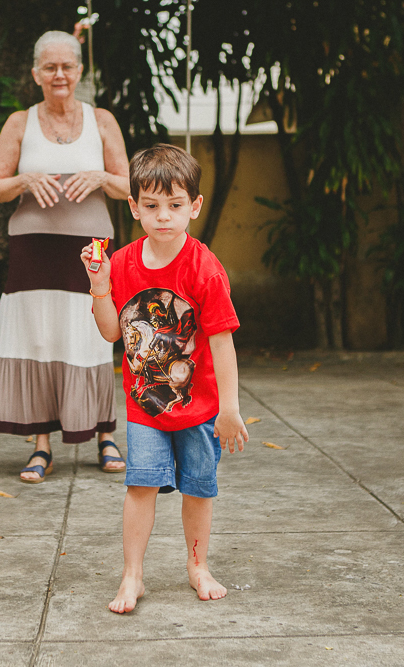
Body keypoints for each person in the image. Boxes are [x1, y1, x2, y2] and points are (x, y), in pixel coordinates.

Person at [80, 144, 248, 614]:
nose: (163, 217)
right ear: (133, 207)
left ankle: (198, 566)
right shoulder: (122, 264)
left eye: (175, 206)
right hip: (146, 406)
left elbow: (221, 342)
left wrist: (229, 409)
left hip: (199, 407)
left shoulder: (205, 269)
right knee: (140, 487)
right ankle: (132, 575)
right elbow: (113, 330)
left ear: (194, 207)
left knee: (198, 488)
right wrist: (99, 285)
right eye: (151, 206)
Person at [0, 31, 129, 482]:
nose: (60, 75)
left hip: (90, 247)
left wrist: (98, 176)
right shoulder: (21, 122)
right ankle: (41, 445)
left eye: (68, 67)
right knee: (40, 339)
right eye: (50, 67)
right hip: (33, 246)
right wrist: (24, 181)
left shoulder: (102, 121)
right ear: (36, 73)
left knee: (93, 334)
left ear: (79, 71)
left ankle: (105, 433)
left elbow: (130, 186)